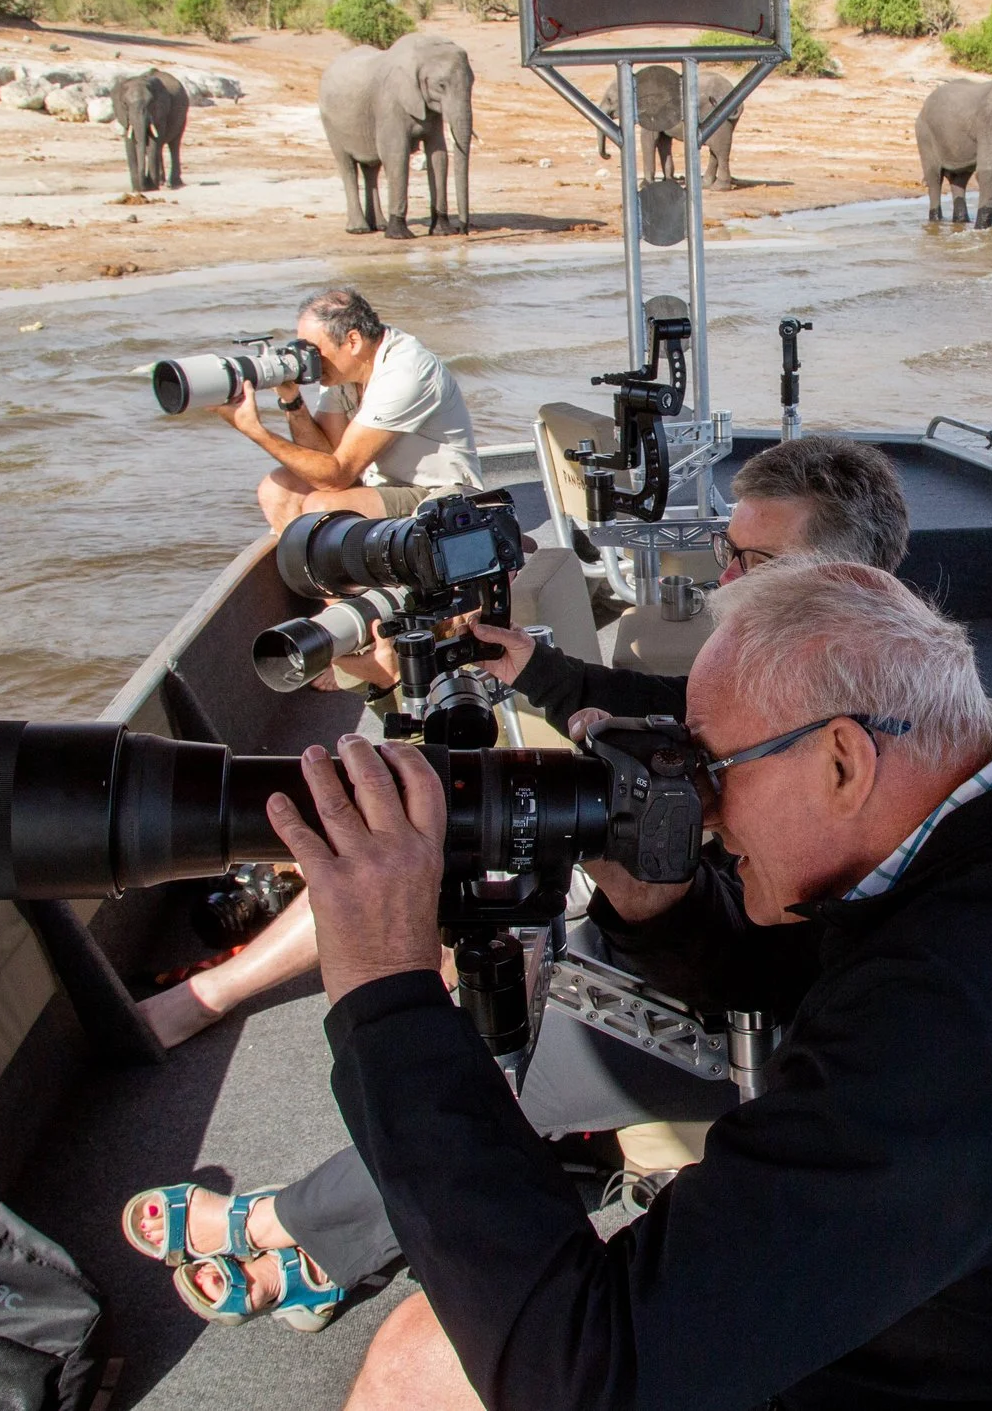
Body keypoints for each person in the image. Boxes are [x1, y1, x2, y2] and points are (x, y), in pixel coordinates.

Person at [283, 561, 992, 1411]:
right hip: (974, 1317)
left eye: (712, 767)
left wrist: (384, 986)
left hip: (935, 1380)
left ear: (842, 759)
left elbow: (583, 1377)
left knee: (417, 1367)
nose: (698, 810)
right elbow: (823, 976)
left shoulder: (986, 1005)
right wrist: (666, 909)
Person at [132, 433, 910, 1052]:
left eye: (756, 562)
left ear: (843, 578)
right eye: (725, 551)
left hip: (696, 956)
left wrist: (656, 904)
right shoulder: (828, 677)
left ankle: (284, 1172)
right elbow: (682, 711)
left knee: (439, 836)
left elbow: (759, 969)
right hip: (681, 906)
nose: (724, 579)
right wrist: (545, 671)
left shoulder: (853, 747)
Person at [223, 285, 481, 531]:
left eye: (313, 350)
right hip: (378, 485)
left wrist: (256, 432)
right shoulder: (344, 372)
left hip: (439, 495)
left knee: (324, 508)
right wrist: (293, 402)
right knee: (277, 489)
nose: (306, 359)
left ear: (353, 341)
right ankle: (310, 574)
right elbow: (326, 456)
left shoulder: (406, 371)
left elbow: (337, 476)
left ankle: (349, 575)